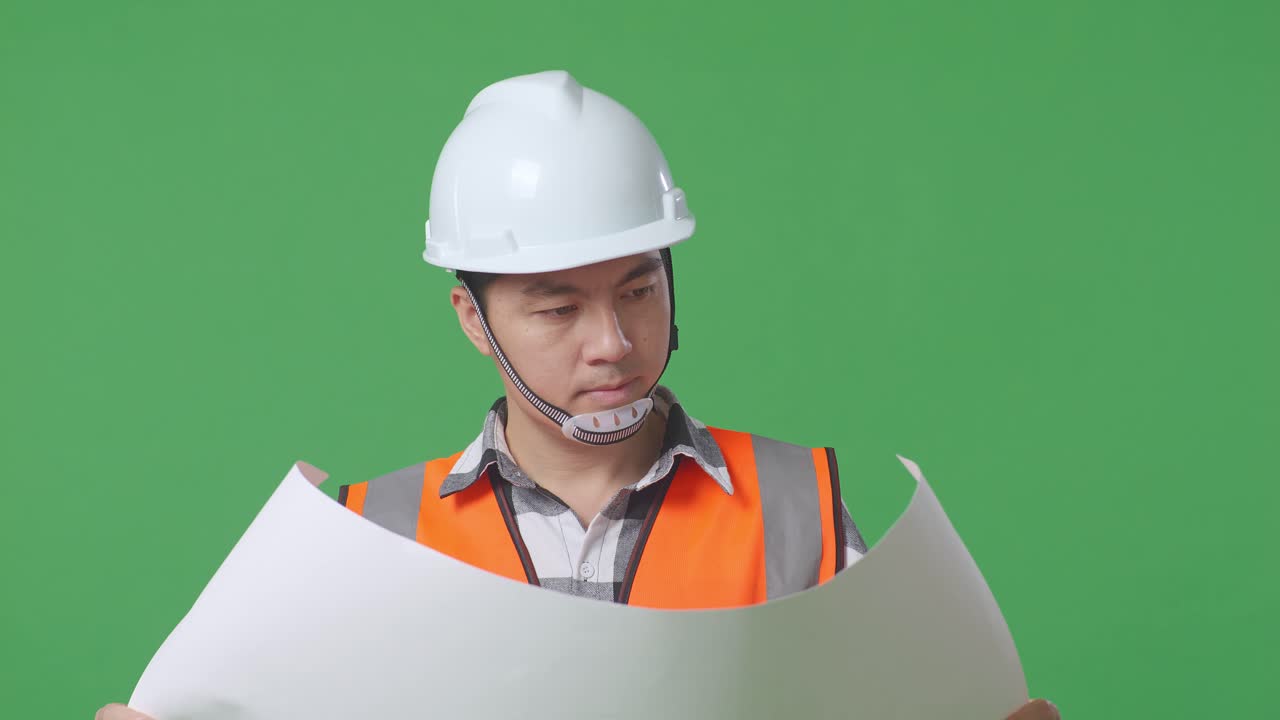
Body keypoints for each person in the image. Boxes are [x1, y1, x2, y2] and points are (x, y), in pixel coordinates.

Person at [97, 70, 1060, 719]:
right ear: (475, 320)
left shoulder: (798, 510)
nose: (614, 343)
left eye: (639, 290)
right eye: (558, 309)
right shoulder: (366, 538)